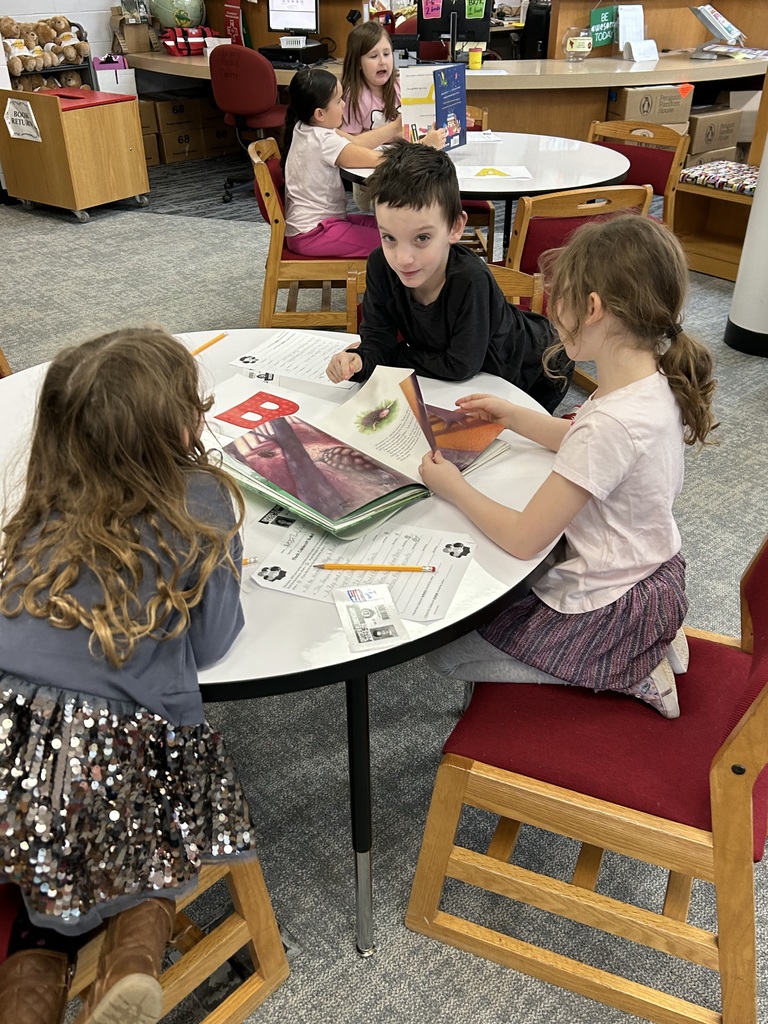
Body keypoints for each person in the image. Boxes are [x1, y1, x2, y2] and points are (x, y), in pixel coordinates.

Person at [0, 328, 257, 1024]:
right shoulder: (201, 498)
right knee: (160, 823)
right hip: (110, 746)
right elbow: (212, 644)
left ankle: (27, 994)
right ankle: (134, 958)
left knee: (49, 853)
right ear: (178, 425)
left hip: (9, 753)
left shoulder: (43, 503)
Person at [419, 215, 717, 719]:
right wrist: (515, 417)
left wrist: (452, 486)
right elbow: (584, 443)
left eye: (559, 301)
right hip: (654, 572)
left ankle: (626, 670)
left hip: (609, 602)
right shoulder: (649, 381)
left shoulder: (612, 423)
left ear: (593, 308)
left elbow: (523, 538)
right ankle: (648, 645)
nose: (552, 315)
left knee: (445, 655)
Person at [326, 139, 569, 413]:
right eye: (389, 237)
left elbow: (459, 365)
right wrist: (359, 360)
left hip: (542, 369)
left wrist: (391, 354)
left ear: (455, 228)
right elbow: (378, 343)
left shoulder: (469, 278)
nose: (403, 258)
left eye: (422, 238)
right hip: (476, 374)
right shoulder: (381, 266)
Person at [283, 66, 404, 258]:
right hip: (314, 233)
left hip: (316, 226)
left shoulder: (306, 126)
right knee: (399, 243)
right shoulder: (324, 140)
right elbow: (378, 160)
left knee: (400, 230)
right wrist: (424, 146)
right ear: (319, 114)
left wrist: (396, 126)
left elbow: (357, 142)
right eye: (339, 100)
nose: (344, 104)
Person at [340, 22, 444, 211]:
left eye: (387, 54)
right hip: (371, 176)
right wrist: (396, 127)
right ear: (357, 63)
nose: (382, 61)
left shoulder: (401, 86)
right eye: (373, 56)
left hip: (404, 169)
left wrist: (448, 117)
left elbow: (420, 126)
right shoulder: (351, 97)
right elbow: (351, 145)